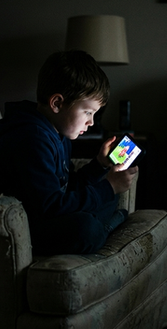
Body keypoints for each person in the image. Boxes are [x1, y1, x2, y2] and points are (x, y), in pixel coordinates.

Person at [0, 50, 138, 255]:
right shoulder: (32, 138)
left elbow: (68, 186)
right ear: (57, 103)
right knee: (86, 228)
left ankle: (104, 222)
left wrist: (100, 165)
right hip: (33, 225)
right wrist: (108, 187)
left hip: (53, 213)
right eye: (88, 112)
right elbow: (51, 205)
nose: (91, 122)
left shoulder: (58, 131)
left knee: (107, 196)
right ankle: (106, 227)